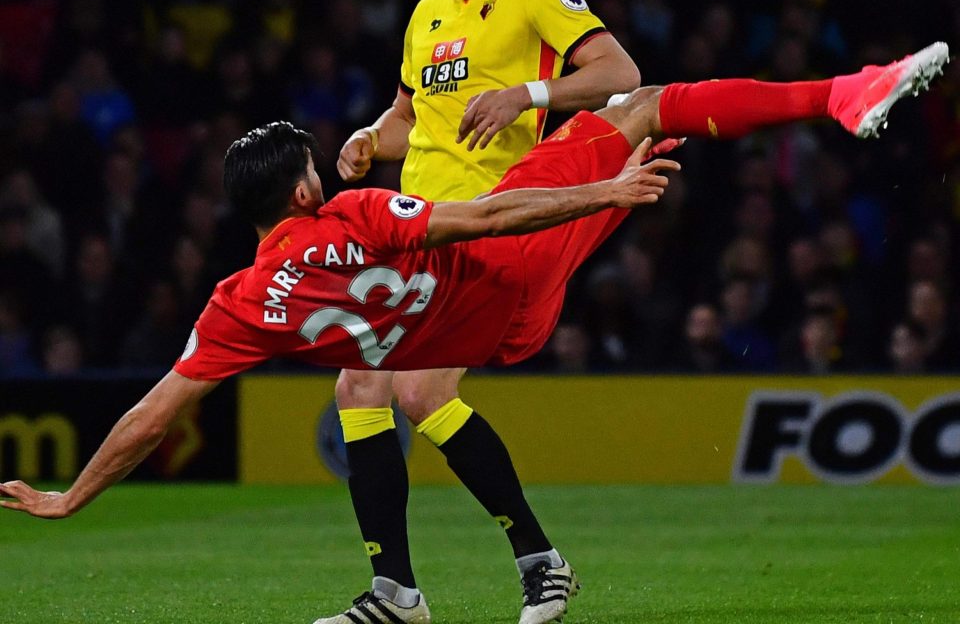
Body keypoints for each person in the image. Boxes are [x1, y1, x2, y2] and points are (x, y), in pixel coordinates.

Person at [1, 38, 949, 624]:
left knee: (381, 382)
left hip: (488, 339)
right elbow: (491, 221)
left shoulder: (238, 305)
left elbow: (155, 414)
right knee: (645, 106)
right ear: (302, 190)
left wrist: (71, 496)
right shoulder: (358, 214)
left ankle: (419, 589)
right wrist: (606, 193)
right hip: (513, 277)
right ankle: (841, 91)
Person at [332, 0, 643, 624]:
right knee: (364, 388)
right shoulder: (427, 13)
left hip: (494, 220)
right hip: (417, 225)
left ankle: (528, 567)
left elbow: (619, 73)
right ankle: (403, 592)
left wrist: (526, 95)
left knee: (415, 389)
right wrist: (372, 138)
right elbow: (412, 118)